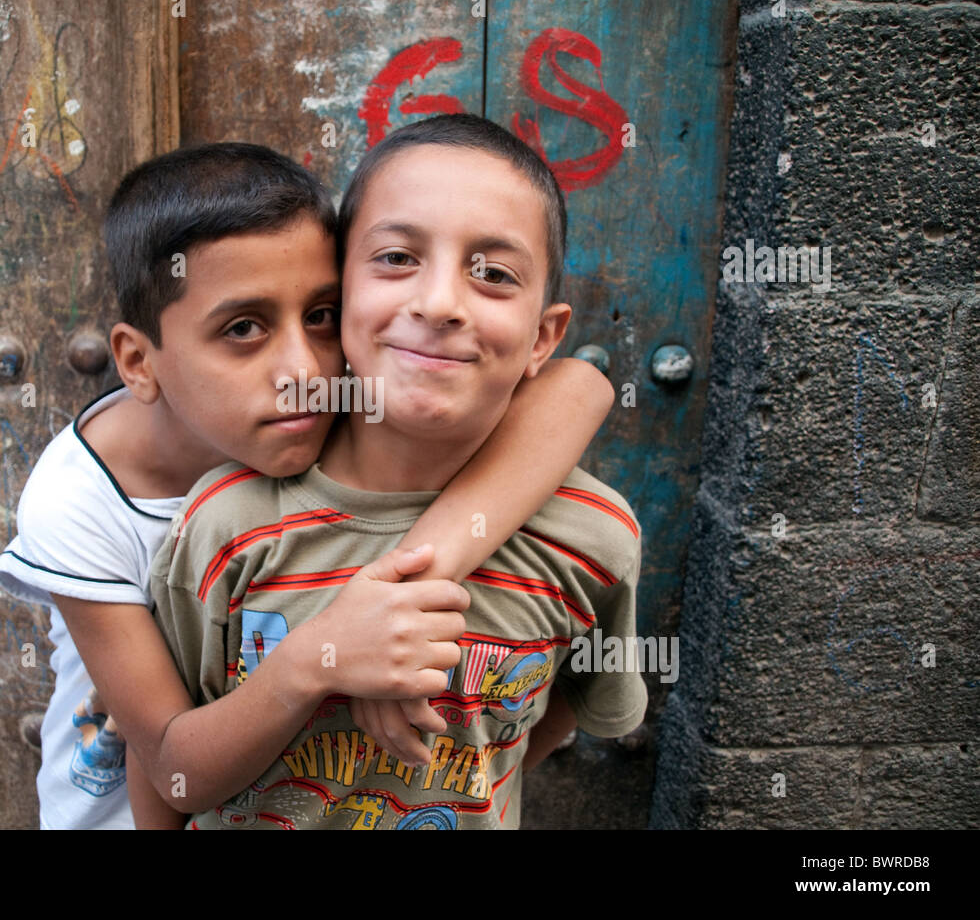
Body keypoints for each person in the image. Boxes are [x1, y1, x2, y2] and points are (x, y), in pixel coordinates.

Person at [0, 140, 615, 828]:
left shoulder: (353, 393)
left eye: (320, 314)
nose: (302, 368)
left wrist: (391, 605)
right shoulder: (81, 505)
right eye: (242, 328)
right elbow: (169, 760)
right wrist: (330, 654)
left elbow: (580, 388)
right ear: (139, 362)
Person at [152, 115, 646, 829]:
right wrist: (320, 662)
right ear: (339, 293)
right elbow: (169, 763)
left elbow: (555, 719)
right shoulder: (226, 524)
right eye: (395, 259)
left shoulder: (593, 539)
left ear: (544, 337)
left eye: (494, 275)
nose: (440, 302)